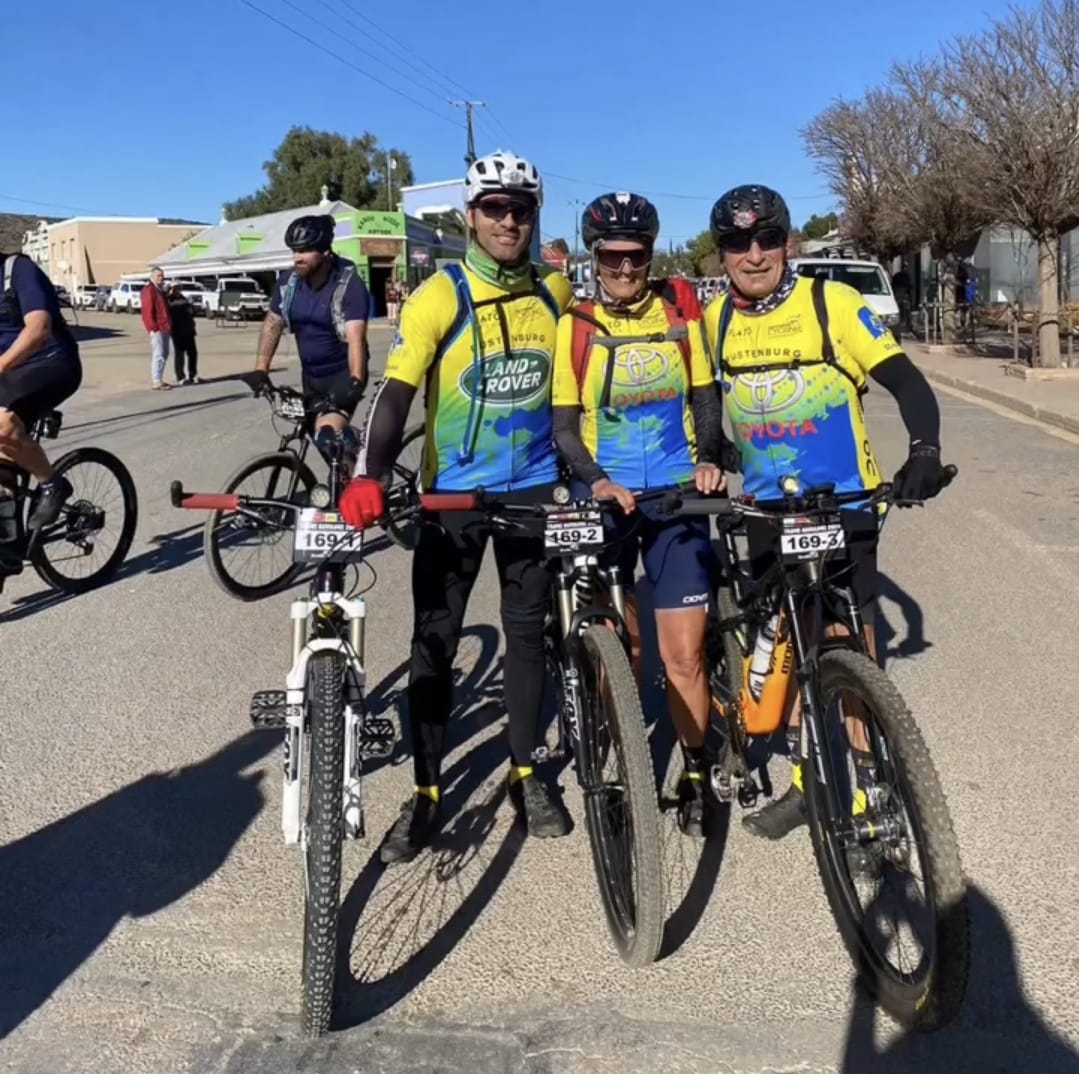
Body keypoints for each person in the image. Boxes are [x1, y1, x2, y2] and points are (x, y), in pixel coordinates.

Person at [338, 151, 574, 864]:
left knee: (527, 634)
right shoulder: (442, 293)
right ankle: (427, 790)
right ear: (469, 216)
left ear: (534, 217)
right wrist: (371, 471)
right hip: (452, 496)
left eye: (521, 209)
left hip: (532, 486)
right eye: (494, 208)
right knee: (433, 641)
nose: (508, 221)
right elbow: (397, 391)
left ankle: (526, 774)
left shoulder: (556, 293)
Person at [702, 184, 950, 840]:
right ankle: (808, 780)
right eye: (735, 243)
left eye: (764, 239)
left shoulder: (831, 303)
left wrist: (923, 449)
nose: (752, 255)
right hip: (763, 510)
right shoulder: (714, 320)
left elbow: (904, 381)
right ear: (721, 254)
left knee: (851, 642)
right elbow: (712, 405)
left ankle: (871, 782)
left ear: (786, 241)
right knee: (785, 639)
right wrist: (706, 455)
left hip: (843, 502)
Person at [551, 192, 728, 837]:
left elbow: (705, 394)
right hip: (605, 496)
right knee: (621, 651)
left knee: (683, 657)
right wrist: (594, 480)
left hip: (676, 492)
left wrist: (708, 456)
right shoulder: (575, 326)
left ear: (651, 257)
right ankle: (621, 763)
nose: (625, 272)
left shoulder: (681, 313)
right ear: (594, 257)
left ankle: (697, 769)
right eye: (612, 260)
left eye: (637, 259)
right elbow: (565, 426)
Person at [251, 214, 370, 442]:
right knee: (309, 431)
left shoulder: (349, 285)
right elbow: (272, 324)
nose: (297, 257)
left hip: (343, 374)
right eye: (294, 251)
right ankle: (353, 446)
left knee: (326, 434)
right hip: (311, 377)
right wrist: (260, 370)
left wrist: (354, 381)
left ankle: (366, 470)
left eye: (305, 251)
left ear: (325, 251)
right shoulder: (288, 284)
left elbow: (356, 338)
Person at [0, 250, 82, 562]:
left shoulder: (17, 270)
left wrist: (2, 364)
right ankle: (7, 546)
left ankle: (53, 484)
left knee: (3, 426)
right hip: (9, 371)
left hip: (50, 362)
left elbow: (38, 329)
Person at [140, 267, 172, 390]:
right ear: (152, 276)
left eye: (162, 276)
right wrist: (152, 327)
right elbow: (147, 311)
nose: (161, 278)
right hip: (157, 327)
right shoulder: (149, 290)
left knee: (165, 353)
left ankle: (160, 378)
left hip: (165, 326)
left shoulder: (160, 291)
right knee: (158, 353)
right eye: (158, 276)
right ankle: (156, 380)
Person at [167, 283, 199, 385]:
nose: (178, 290)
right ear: (171, 289)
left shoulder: (184, 299)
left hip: (189, 330)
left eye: (180, 288)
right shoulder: (169, 300)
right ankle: (180, 377)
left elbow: (192, 312)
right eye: (176, 288)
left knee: (193, 353)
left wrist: (192, 308)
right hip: (177, 331)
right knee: (179, 354)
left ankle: (192, 375)